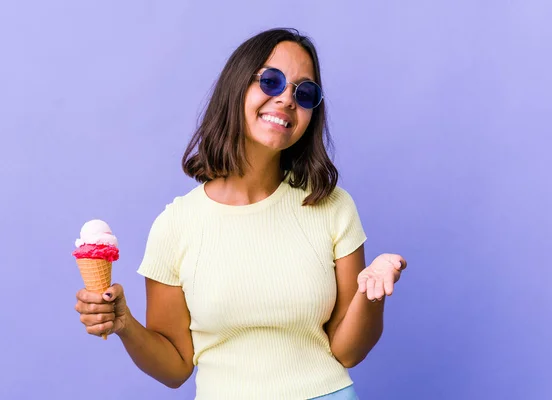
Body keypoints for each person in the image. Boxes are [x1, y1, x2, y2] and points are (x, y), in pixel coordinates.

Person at [74, 27, 407, 400]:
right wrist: (125, 324)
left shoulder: (331, 205)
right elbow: (176, 368)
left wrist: (372, 292)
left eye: (305, 92)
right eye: (271, 81)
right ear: (237, 87)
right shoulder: (176, 225)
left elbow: (348, 351)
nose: (286, 99)